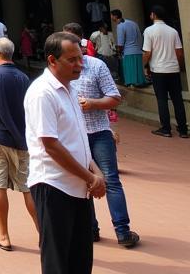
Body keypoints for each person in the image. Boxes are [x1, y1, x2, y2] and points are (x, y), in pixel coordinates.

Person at [24, 31, 106, 274]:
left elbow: (77, 137)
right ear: (52, 60)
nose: (79, 65)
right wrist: (90, 177)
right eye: (72, 60)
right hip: (54, 186)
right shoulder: (43, 92)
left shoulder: (69, 88)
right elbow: (51, 145)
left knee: (80, 259)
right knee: (58, 261)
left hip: (79, 188)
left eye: (80, 58)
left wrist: (95, 171)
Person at [65, 23, 139, 248]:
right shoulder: (59, 70)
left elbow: (115, 97)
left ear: (82, 42)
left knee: (111, 180)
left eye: (75, 45)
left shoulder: (96, 66)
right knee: (82, 182)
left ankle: (122, 231)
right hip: (75, 135)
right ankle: (91, 229)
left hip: (99, 132)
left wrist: (93, 103)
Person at [0, 37, 39, 251]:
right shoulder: (24, 78)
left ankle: (3, 236)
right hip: (22, 140)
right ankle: (44, 235)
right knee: (27, 188)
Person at [141, 4, 187, 138]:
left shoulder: (149, 31)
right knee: (177, 99)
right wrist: (180, 66)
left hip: (158, 70)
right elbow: (179, 52)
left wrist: (144, 65)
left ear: (153, 15)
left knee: (162, 100)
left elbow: (147, 52)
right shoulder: (173, 31)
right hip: (173, 69)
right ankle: (183, 130)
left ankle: (166, 128)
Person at [111, 8, 146, 87]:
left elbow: (120, 43)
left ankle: (132, 85)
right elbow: (140, 37)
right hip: (138, 51)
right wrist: (139, 48)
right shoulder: (133, 23)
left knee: (130, 76)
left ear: (115, 16)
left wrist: (118, 52)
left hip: (128, 52)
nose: (111, 17)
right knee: (138, 74)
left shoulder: (120, 26)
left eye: (112, 16)